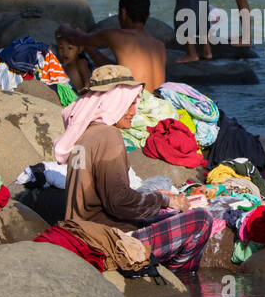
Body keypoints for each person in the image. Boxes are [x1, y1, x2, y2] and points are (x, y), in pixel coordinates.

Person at [55, 65, 214, 274]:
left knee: (167, 216)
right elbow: (118, 201)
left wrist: (153, 196)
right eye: (128, 104)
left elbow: (105, 196)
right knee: (201, 220)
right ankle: (176, 279)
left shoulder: (85, 134)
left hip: (86, 233)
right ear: (111, 103)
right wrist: (167, 200)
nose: (133, 111)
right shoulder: (107, 136)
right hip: (108, 242)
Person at [55, 0, 167, 93]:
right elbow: (121, 71)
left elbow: (75, 38)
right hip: (157, 107)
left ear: (123, 13)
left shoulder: (116, 36)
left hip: (135, 106)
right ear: (148, 16)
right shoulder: (160, 46)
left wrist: (64, 28)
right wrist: (89, 48)